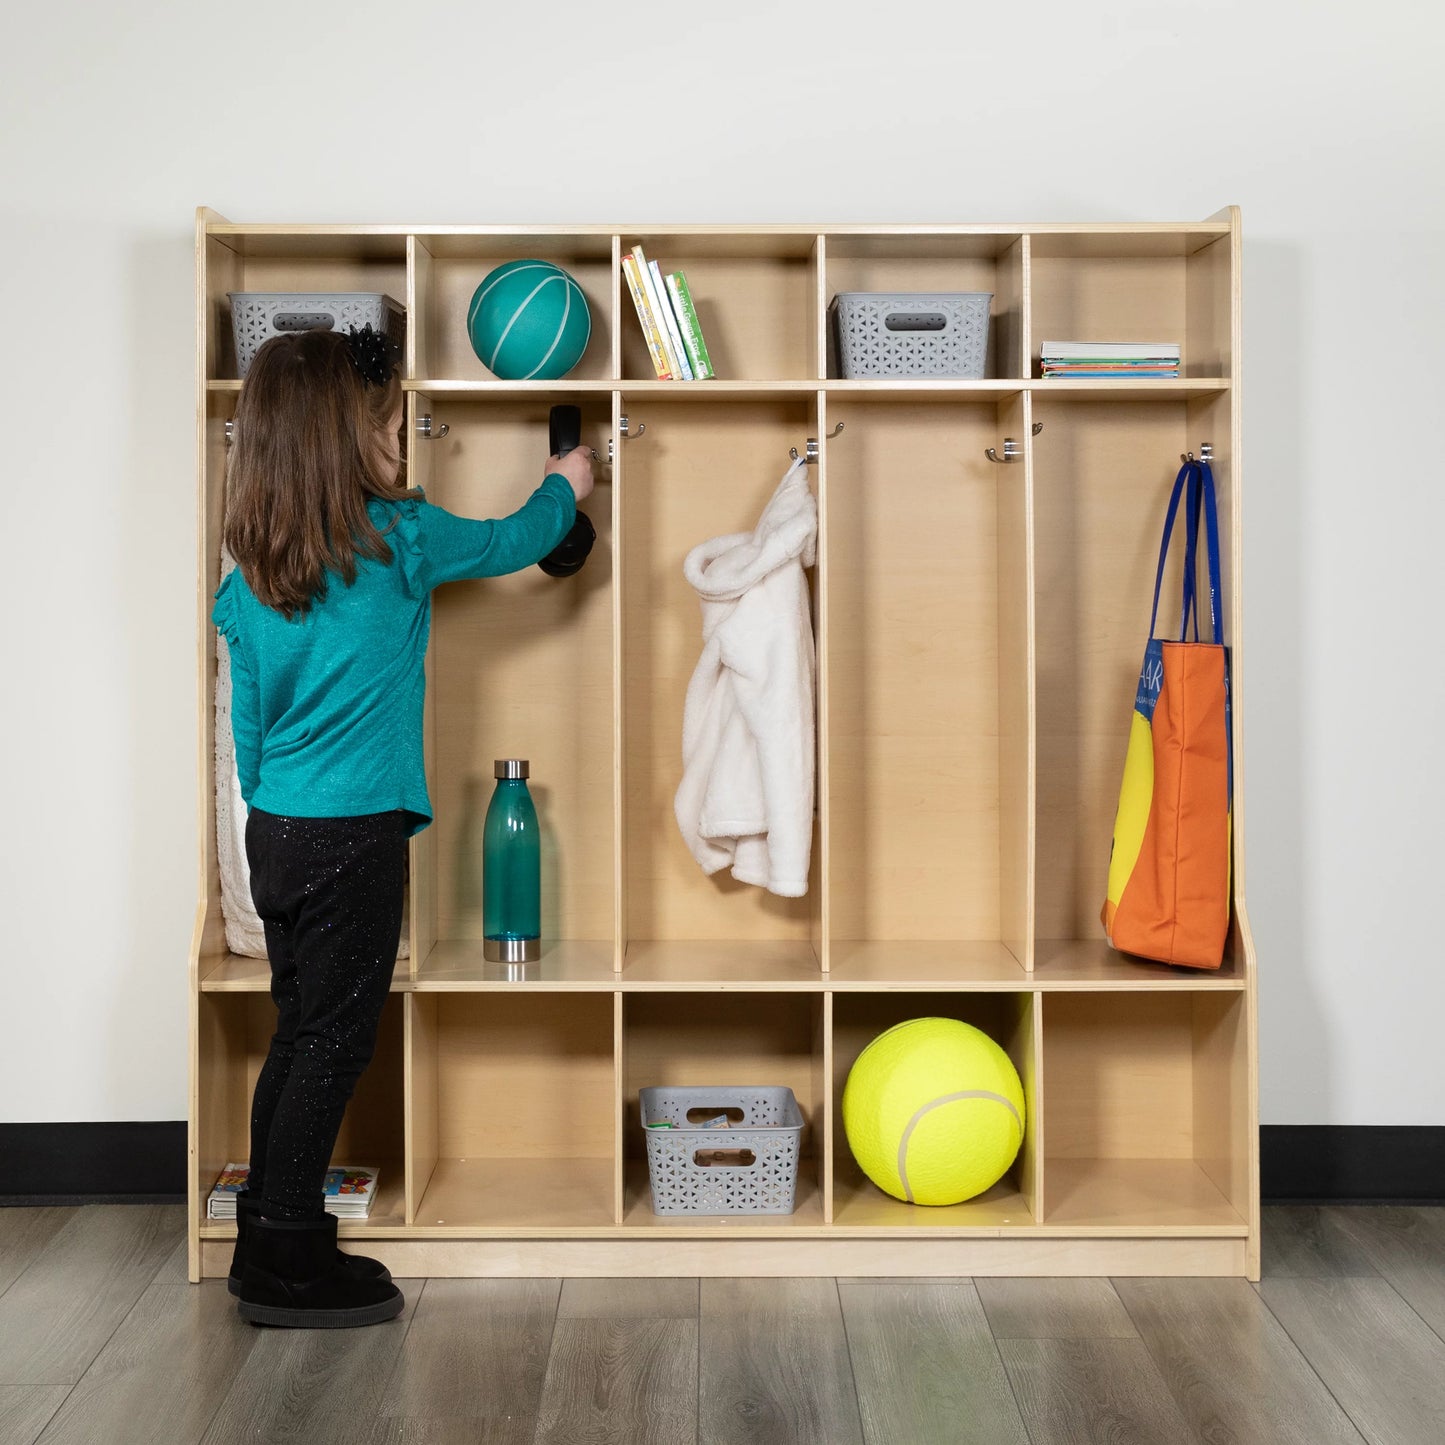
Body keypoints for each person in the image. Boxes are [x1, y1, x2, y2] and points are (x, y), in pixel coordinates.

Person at [212, 324, 593, 1327]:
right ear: (346, 441)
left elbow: (248, 731)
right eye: (386, 430)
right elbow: (515, 536)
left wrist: (281, 807)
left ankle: (265, 1237)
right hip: (354, 833)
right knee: (334, 1043)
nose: (399, 449)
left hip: (279, 830)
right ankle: (289, 1261)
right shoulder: (401, 540)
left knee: (298, 1035)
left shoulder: (247, 573)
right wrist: (569, 483)